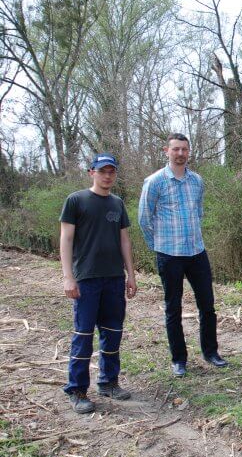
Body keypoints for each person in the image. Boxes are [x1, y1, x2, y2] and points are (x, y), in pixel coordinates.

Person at [138, 133, 227, 377]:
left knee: (207, 305)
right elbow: (144, 219)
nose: (180, 154)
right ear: (167, 151)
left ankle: (211, 352)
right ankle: (179, 359)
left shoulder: (197, 181)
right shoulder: (154, 182)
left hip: (197, 251)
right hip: (169, 254)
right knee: (173, 308)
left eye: (184, 149)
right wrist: (158, 246)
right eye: (176, 149)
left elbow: (198, 213)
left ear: (189, 152)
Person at [60, 153, 137, 413]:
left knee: (113, 332)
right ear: (91, 172)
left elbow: (125, 240)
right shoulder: (76, 200)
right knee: (83, 335)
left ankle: (108, 382)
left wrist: (131, 274)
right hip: (86, 279)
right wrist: (68, 276)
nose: (107, 176)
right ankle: (77, 390)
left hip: (114, 279)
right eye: (102, 171)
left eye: (111, 171)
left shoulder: (117, 203)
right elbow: (66, 239)